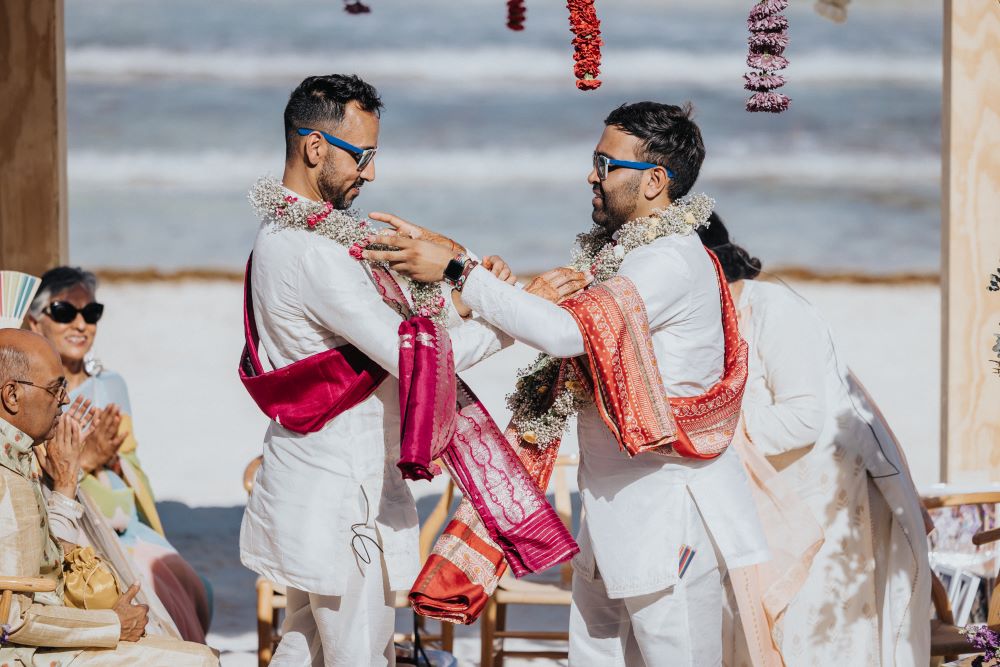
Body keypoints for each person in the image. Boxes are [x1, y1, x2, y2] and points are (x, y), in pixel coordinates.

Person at [367, 102, 770, 666]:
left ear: (656, 181)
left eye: (606, 165)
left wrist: (459, 272)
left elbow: (563, 332)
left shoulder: (669, 261)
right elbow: (556, 315)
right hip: (610, 514)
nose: (592, 176)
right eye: (595, 161)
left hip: (666, 516)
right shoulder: (626, 255)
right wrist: (459, 258)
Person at [238, 74, 525, 666]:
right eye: (362, 157)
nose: (370, 175)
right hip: (341, 489)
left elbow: (404, 318)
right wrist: (507, 319)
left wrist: (464, 285)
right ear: (315, 148)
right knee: (359, 652)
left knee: (304, 642)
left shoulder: (299, 232)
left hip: (317, 474)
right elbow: (414, 357)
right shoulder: (313, 251)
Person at [698, 213, 931, 667]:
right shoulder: (707, 323)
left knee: (813, 640)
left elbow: (804, 418)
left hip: (819, 505)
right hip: (760, 505)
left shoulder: (775, 310)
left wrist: (710, 423)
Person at [0, 328, 218, 666]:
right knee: (197, 661)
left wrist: (67, 480)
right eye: (55, 389)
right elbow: (10, 620)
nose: (65, 400)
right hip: (22, 654)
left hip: (48, 636)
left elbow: (41, 564)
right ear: (12, 396)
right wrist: (109, 624)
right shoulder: (6, 474)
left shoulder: (20, 457)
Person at [27, 266, 211, 642]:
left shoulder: (111, 386)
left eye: (91, 313)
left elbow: (132, 467)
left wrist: (112, 459)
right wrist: (87, 459)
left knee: (179, 578)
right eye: (65, 312)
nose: (81, 324)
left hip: (121, 520)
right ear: (35, 322)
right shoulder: (30, 395)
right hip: (73, 526)